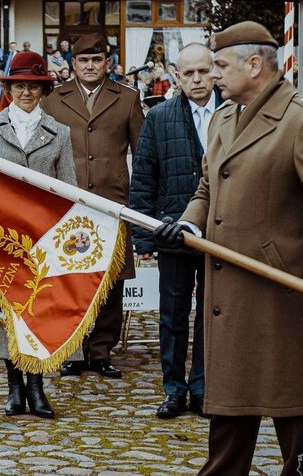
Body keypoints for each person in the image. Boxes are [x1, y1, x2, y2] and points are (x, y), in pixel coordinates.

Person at [153, 21, 303, 476]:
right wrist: (186, 224)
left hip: (284, 298)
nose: (213, 75)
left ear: (254, 64)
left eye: (220, 65)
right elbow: (207, 188)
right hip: (232, 295)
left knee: (296, 424)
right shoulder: (224, 117)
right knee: (229, 420)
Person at [0, 51, 76, 420]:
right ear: (8, 88)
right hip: (2, 237)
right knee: (8, 311)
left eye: (33, 87)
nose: (26, 93)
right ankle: (14, 386)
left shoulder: (60, 133)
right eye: (19, 86)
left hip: (42, 239)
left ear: (43, 91)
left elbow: (69, 188)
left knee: (38, 310)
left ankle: (38, 386)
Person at [41, 32, 144, 379]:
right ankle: (71, 348)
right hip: (67, 204)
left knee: (111, 280)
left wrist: (137, 202)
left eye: (96, 60)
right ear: (72, 65)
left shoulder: (127, 99)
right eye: (83, 60)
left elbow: (141, 153)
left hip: (112, 203)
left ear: (107, 63)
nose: (90, 66)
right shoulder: (53, 100)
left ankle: (100, 350)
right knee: (68, 277)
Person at [129, 42, 220, 420]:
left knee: (210, 314)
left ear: (215, 72)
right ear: (177, 76)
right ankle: (173, 388)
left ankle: (202, 386)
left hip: (219, 236)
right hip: (172, 231)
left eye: (203, 71)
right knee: (172, 314)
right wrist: (145, 236)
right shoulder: (160, 117)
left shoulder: (233, 115)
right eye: (189, 73)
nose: (197, 79)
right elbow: (144, 178)